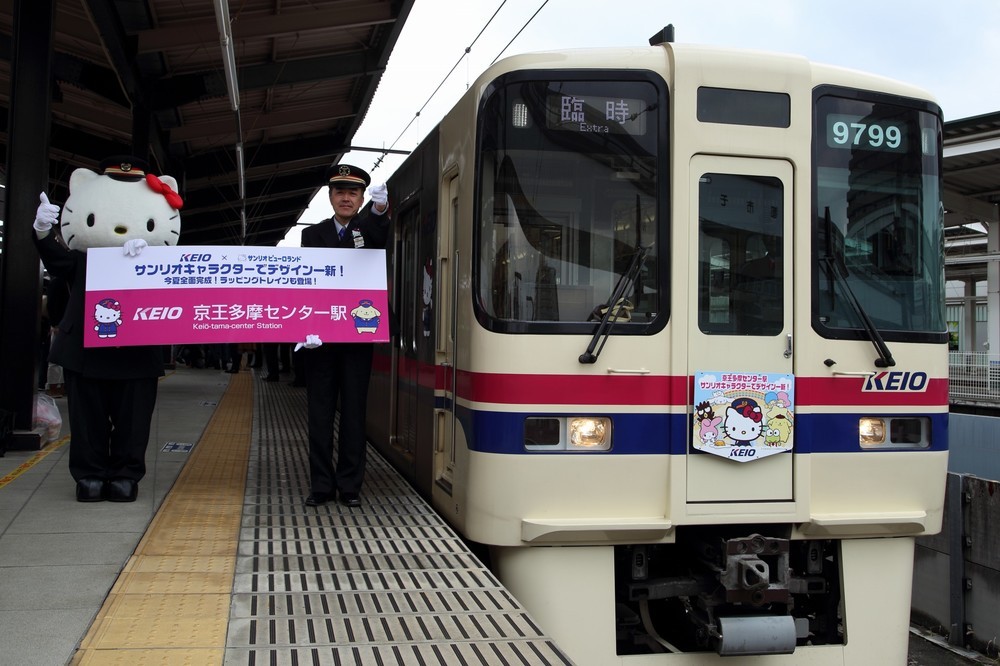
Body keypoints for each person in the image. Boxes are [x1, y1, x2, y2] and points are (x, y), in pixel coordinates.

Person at [299, 164, 389, 508]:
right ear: (330, 197)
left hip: (357, 340)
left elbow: (379, 232)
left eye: (353, 192)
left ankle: (350, 486)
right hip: (319, 341)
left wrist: (380, 210)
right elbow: (306, 285)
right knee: (318, 415)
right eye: (340, 192)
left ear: (362, 197)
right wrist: (302, 328)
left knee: (353, 413)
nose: (346, 198)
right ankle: (321, 486)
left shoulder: (369, 228)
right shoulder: (312, 235)